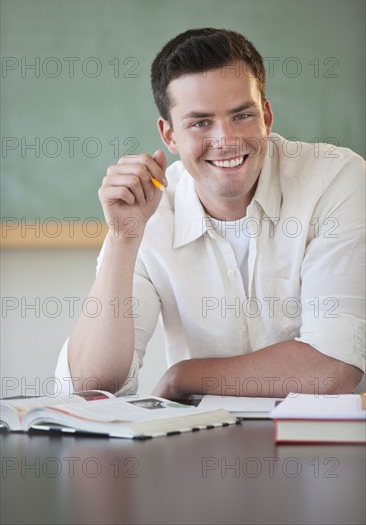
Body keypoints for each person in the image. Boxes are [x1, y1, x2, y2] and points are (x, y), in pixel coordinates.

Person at [55, 28, 365, 399]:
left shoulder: (337, 179)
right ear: (169, 136)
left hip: (325, 448)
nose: (226, 140)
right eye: (201, 122)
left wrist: (183, 376)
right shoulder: (149, 210)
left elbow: (333, 368)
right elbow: (91, 387)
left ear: (266, 114)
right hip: (200, 447)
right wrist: (124, 239)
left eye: (242, 116)